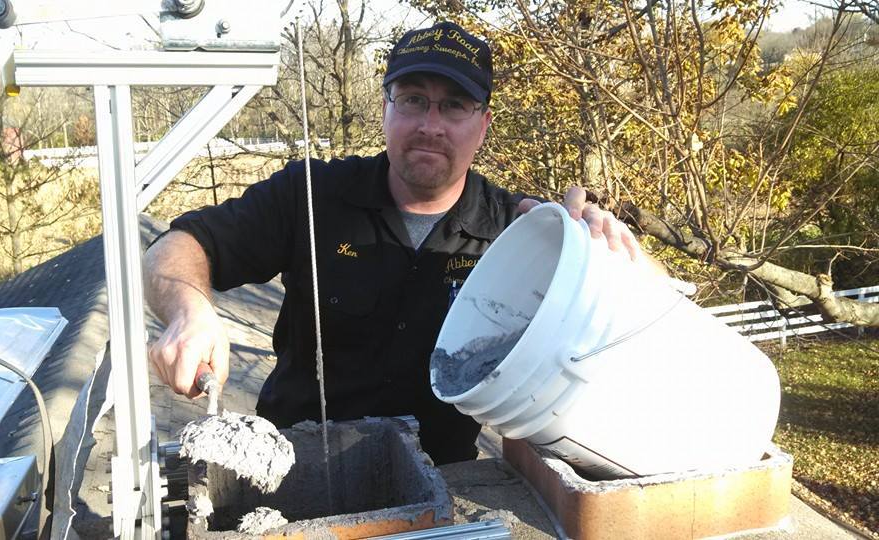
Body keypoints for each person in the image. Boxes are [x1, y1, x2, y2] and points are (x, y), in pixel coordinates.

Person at [144, 21, 645, 465]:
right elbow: (180, 246)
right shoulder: (310, 195)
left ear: (483, 123)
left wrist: (598, 244)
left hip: (445, 491)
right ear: (386, 108)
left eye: (453, 106)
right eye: (413, 100)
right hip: (296, 474)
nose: (431, 125)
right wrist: (189, 312)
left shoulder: (520, 232)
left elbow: (630, 317)